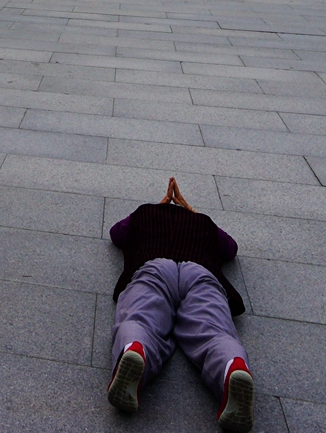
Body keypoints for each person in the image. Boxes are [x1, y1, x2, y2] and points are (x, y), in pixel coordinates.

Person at [106, 179, 253, 433]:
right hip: (201, 273)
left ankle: (135, 349)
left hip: (154, 267)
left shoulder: (145, 213)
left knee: (141, 319)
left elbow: (116, 233)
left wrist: (153, 207)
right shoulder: (203, 222)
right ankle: (233, 366)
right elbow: (230, 249)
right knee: (214, 331)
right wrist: (195, 212)